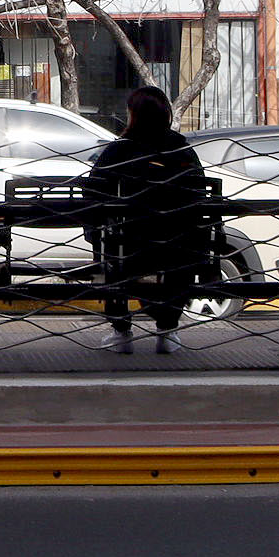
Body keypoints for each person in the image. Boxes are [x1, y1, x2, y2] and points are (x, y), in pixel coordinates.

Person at [83, 86, 220, 355]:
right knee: (176, 260)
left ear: (133, 114)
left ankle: (121, 332)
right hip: (178, 246)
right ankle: (167, 330)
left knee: (110, 251)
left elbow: (94, 191)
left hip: (128, 245)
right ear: (166, 113)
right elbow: (198, 193)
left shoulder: (120, 150)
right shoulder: (180, 148)